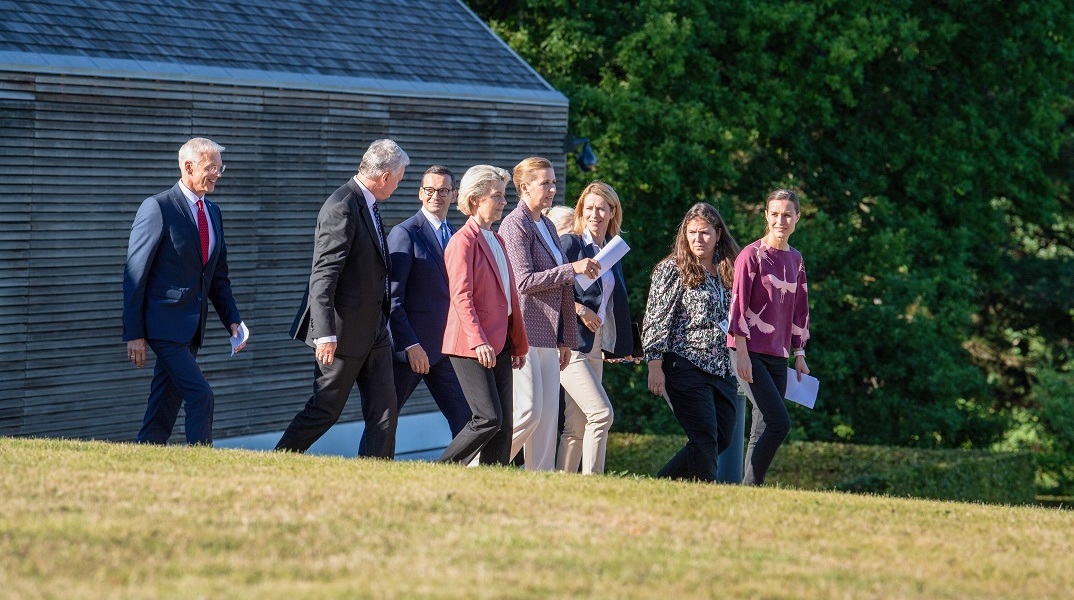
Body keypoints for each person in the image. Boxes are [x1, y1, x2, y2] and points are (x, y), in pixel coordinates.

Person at [275, 139, 409, 458]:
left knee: (384, 411)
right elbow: (323, 276)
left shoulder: (368, 204)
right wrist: (324, 334)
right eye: (401, 177)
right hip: (341, 332)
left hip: (374, 330)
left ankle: (374, 476)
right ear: (385, 177)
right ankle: (277, 459)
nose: (400, 184)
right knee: (325, 409)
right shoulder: (342, 206)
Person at [122, 137, 246, 445]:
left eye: (220, 167)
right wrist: (134, 333)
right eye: (211, 167)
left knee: (162, 411)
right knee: (201, 395)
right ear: (188, 167)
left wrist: (232, 319)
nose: (217, 173)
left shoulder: (213, 212)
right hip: (162, 326)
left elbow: (217, 278)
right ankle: (201, 466)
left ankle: (144, 459)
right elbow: (135, 275)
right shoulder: (157, 208)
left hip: (191, 329)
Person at [498, 157, 600, 471]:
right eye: (545, 183)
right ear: (524, 187)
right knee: (528, 412)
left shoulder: (546, 224)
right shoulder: (515, 224)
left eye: (553, 183)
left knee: (545, 422)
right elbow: (524, 281)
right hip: (524, 333)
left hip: (549, 334)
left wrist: (566, 340)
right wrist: (572, 267)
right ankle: (481, 464)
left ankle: (540, 483)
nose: (552, 189)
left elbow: (564, 286)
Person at [642, 203, 741, 482]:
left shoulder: (729, 270)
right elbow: (656, 317)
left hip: (722, 367)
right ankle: (704, 496)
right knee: (704, 437)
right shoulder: (671, 269)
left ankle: (661, 482)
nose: (698, 239)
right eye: (692, 232)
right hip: (684, 362)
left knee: (722, 437)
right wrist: (655, 364)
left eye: (705, 233)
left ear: (718, 234)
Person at [438, 165, 529, 465]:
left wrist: (517, 344)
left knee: (504, 426)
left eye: (504, 196)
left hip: (500, 343)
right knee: (487, 418)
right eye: (497, 196)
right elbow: (461, 297)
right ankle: (441, 468)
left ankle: (493, 482)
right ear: (475, 199)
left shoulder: (497, 239)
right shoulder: (461, 242)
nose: (504, 202)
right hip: (470, 345)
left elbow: (509, 297)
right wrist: (479, 342)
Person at [729, 189, 811, 485]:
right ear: (766, 216)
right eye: (775, 214)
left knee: (762, 426)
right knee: (780, 422)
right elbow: (737, 307)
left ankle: (751, 490)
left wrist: (799, 354)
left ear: (797, 218)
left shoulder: (796, 259)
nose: (781, 220)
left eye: (787, 214)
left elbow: (799, 309)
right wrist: (740, 355)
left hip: (779, 354)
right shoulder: (750, 255)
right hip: (747, 350)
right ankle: (751, 485)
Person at [556, 182, 636, 474]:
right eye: (589, 208)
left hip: (596, 344)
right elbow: (554, 289)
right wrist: (580, 309)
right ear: (581, 211)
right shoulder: (570, 244)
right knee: (601, 414)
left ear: (613, 211)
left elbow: (615, 302)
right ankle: (595, 482)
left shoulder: (612, 250)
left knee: (576, 426)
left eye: (602, 208)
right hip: (570, 345)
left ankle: (563, 485)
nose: (595, 214)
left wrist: (627, 345)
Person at [387, 165, 470, 438]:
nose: (437, 195)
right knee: (385, 418)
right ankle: (371, 470)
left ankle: (462, 475)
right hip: (411, 349)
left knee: (467, 420)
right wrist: (411, 345)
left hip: (447, 350)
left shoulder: (459, 237)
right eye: (430, 190)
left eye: (444, 190)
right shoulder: (405, 233)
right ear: (420, 194)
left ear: (454, 195)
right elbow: (392, 298)